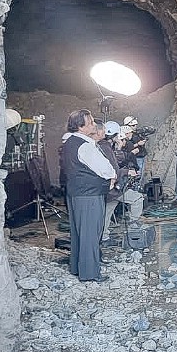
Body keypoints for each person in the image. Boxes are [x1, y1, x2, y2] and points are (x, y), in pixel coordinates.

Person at [62, 109, 117, 283]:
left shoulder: (69, 142)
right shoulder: (84, 145)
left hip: (76, 193)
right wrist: (112, 176)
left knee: (79, 233)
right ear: (81, 126)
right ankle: (90, 272)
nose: (94, 124)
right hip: (89, 195)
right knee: (90, 233)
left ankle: (77, 267)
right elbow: (105, 168)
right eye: (91, 122)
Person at [97, 121, 144, 249]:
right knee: (137, 198)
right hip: (113, 188)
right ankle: (133, 224)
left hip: (105, 188)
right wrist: (127, 171)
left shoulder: (102, 146)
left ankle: (104, 237)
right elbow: (113, 170)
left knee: (107, 212)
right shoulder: (106, 147)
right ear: (115, 135)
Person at [123, 116, 148, 180]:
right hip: (134, 157)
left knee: (139, 175)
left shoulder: (135, 134)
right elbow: (126, 147)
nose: (135, 127)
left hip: (140, 156)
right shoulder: (125, 136)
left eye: (136, 125)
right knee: (136, 175)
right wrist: (137, 144)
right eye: (133, 125)